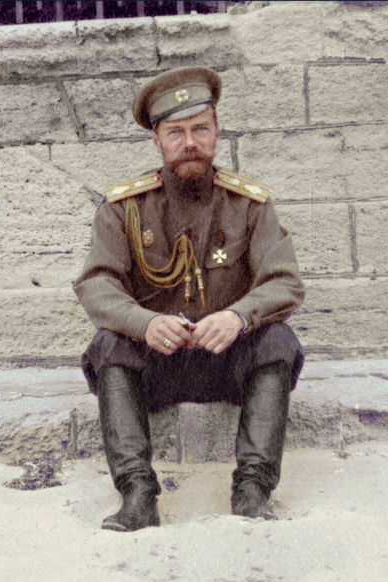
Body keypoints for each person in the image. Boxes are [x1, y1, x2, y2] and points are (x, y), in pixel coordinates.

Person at [73, 66, 305, 532]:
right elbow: (96, 284)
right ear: (156, 140)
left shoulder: (249, 204)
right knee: (107, 344)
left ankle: (253, 489)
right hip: (156, 365)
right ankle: (138, 494)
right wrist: (143, 324)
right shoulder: (124, 207)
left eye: (201, 129)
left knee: (278, 339)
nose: (190, 142)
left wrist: (240, 318)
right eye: (176, 132)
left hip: (227, 361)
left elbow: (285, 281)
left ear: (218, 132)